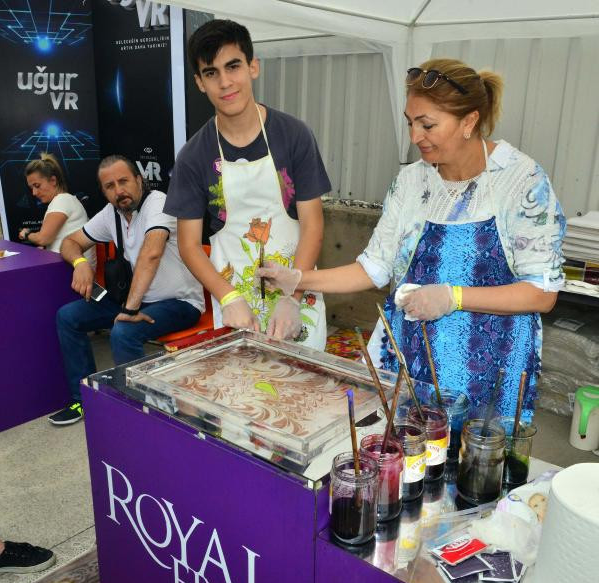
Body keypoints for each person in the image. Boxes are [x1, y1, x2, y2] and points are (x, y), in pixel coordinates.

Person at [258, 59, 566, 422]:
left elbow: (541, 293)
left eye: (427, 125)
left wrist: (454, 297)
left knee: (476, 454)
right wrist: (299, 279)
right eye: (410, 123)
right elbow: (373, 268)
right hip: (413, 361)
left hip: (493, 369)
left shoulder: (521, 181)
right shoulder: (411, 183)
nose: (415, 136)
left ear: (469, 121)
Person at [164, 19, 331, 350]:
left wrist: (292, 296)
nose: (225, 82)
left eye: (233, 66)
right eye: (211, 73)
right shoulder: (193, 156)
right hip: (235, 305)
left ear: (253, 67)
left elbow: (313, 225)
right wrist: (227, 296)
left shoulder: (294, 135)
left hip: (297, 297)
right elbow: (188, 245)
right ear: (199, 82)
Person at [50, 155, 205, 426]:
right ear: (104, 192)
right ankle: (82, 400)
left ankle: (142, 412)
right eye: (110, 186)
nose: (119, 190)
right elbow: (70, 242)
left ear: (139, 180)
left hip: (179, 303)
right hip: (136, 299)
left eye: (123, 181)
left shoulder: (159, 203)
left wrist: (130, 309)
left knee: (124, 331)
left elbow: (152, 252)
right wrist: (80, 263)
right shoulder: (111, 213)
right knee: (68, 316)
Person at [18, 154, 95, 266]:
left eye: (37, 185)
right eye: (31, 188)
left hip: (73, 272)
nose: (34, 193)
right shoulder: (66, 199)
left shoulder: (62, 200)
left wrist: (26, 234)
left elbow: (43, 239)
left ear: (53, 180)